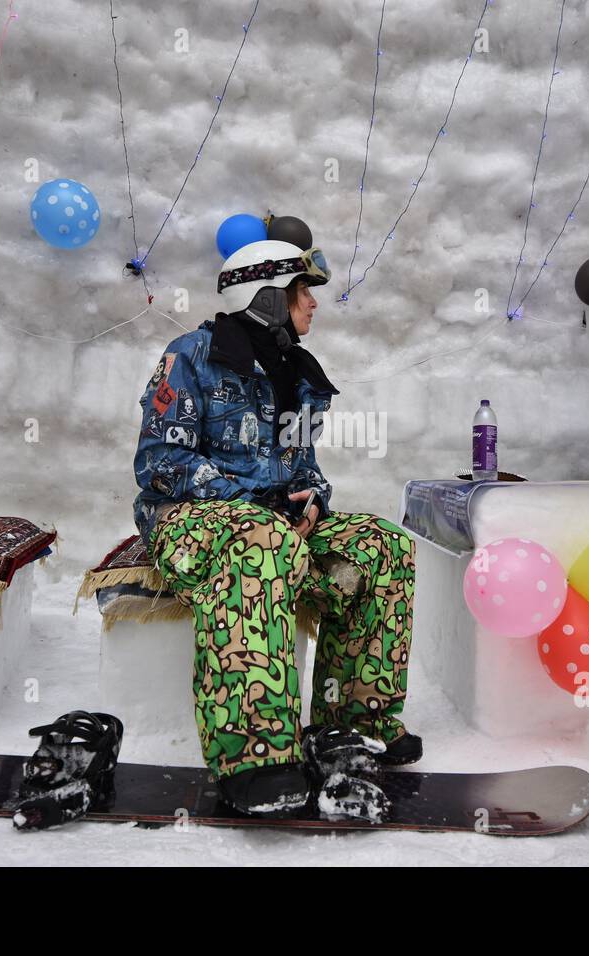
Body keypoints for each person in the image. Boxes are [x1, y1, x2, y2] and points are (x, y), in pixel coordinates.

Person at [132, 238, 421, 816]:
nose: (313, 302)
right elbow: (160, 463)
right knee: (260, 541)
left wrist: (311, 505)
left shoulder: (295, 371)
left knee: (381, 545)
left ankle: (353, 722)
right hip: (191, 523)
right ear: (265, 295)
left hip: (275, 525)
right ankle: (255, 753)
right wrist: (259, 504)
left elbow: (305, 470)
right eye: (302, 290)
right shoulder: (191, 356)